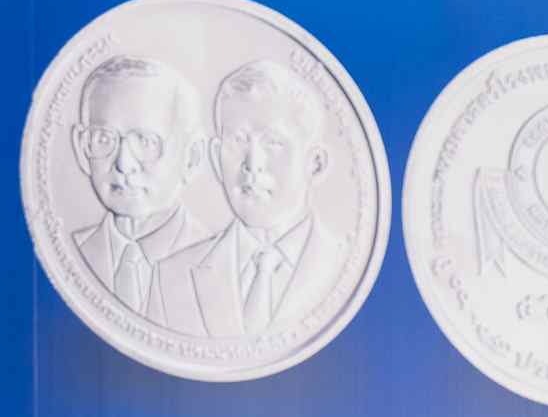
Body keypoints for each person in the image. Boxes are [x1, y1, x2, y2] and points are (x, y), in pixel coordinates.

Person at [157, 59, 345, 337]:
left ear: (315, 164)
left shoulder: (343, 264)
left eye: (273, 143)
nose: (252, 163)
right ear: (215, 158)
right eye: (238, 140)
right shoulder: (171, 275)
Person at [68, 55, 213, 324]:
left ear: (192, 157)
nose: (123, 163)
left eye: (146, 141)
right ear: (81, 147)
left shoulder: (219, 265)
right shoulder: (70, 253)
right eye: (104, 138)